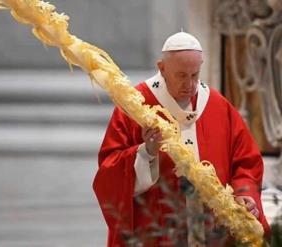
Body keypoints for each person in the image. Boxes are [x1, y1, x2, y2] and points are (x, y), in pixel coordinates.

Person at [93, 32, 270, 247]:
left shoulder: (217, 105)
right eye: (181, 75)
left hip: (210, 234)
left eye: (195, 75)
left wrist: (245, 196)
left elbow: (245, 163)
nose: (190, 84)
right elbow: (108, 173)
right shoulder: (135, 105)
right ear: (162, 68)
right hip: (156, 234)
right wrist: (146, 152)